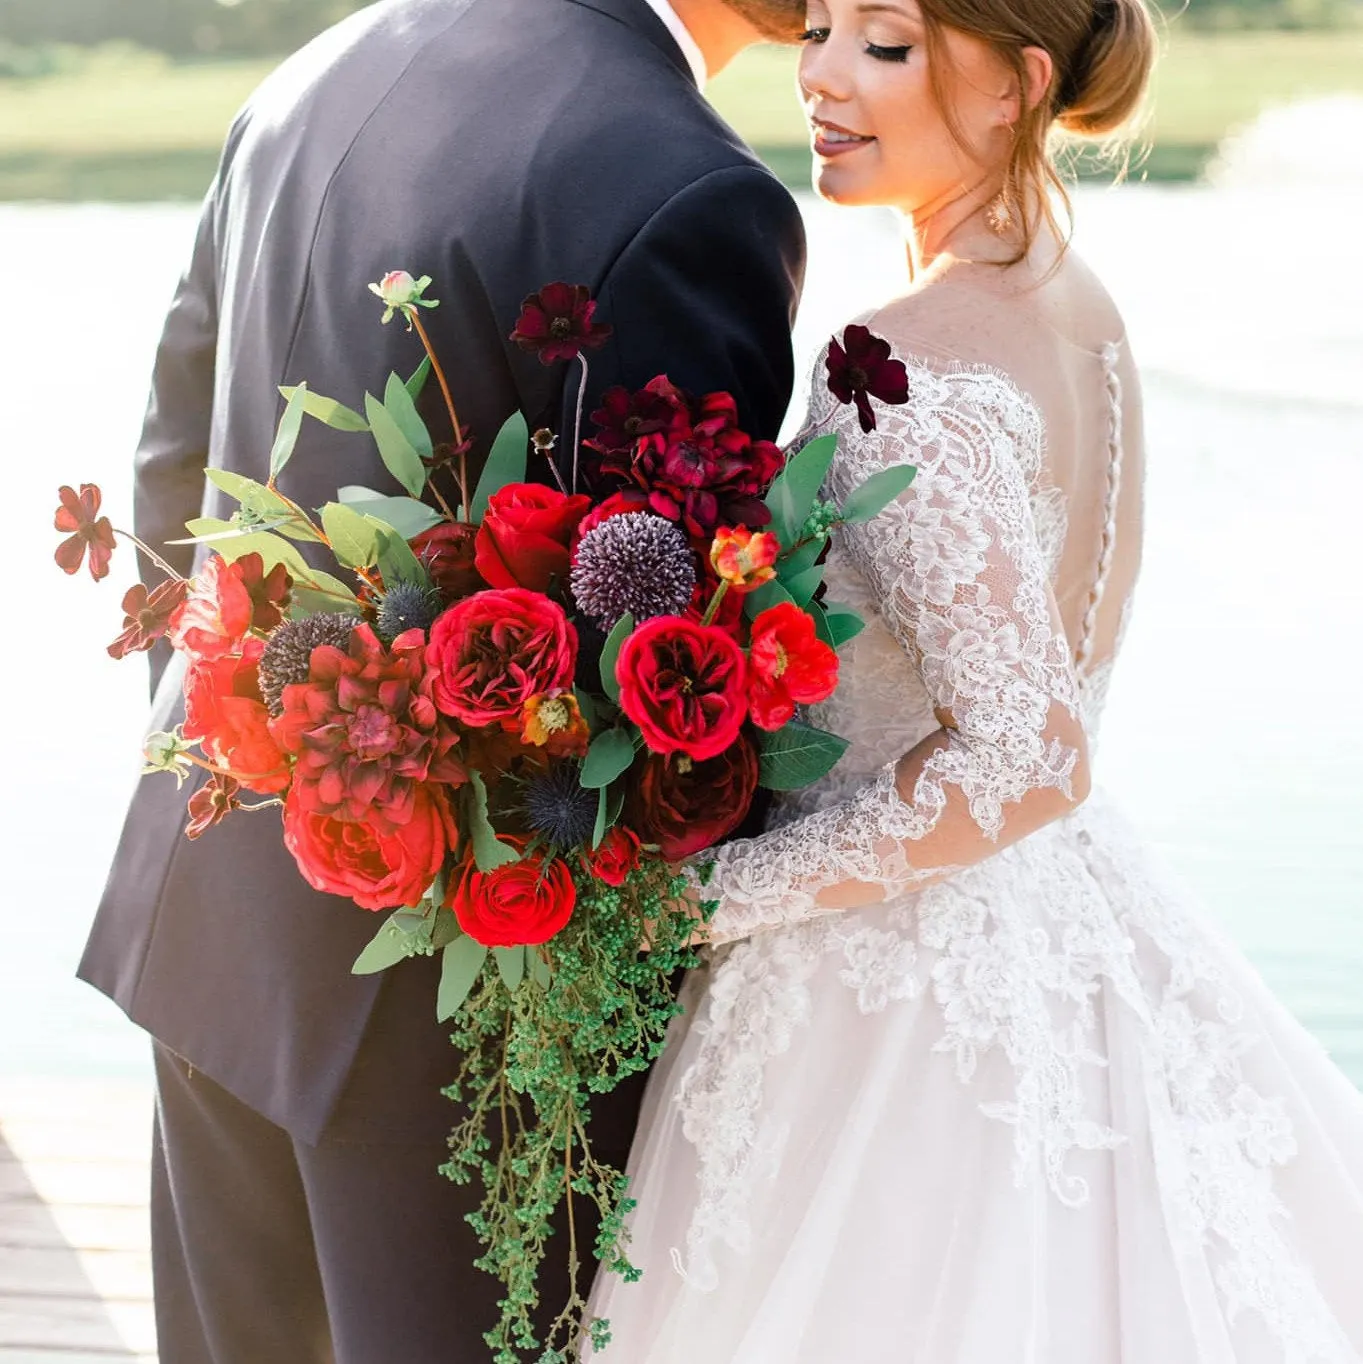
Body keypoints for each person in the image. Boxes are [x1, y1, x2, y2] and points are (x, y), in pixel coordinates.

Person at [586, 0, 1363, 1358]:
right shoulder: (1073, 300)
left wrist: (693, 900)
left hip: (893, 986)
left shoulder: (890, 370)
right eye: (818, 27)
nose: (820, 75)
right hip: (1063, 917)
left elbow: (1027, 759)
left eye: (881, 45)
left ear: (1015, 85)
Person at [77, 1, 806, 1359]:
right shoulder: (687, 186)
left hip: (213, 901)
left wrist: (239, 757)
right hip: (454, 1022)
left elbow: (180, 459)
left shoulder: (334, 57)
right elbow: (664, 691)